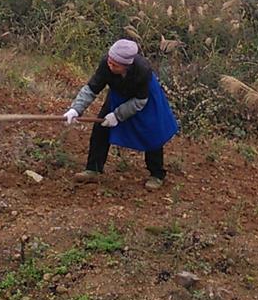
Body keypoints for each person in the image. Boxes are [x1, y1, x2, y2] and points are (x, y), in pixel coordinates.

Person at [63, 39, 178, 190]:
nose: (110, 66)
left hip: (144, 98)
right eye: (110, 62)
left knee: (152, 133)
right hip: (119, 94)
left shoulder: (143, 71)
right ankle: (93, 169)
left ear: (126, 66)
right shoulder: (106, 64)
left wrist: (117, 116)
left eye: (115, 65)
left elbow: (140, 101)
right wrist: (76, 109)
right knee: (100, 128)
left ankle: (156, 174)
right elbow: (92, 88)